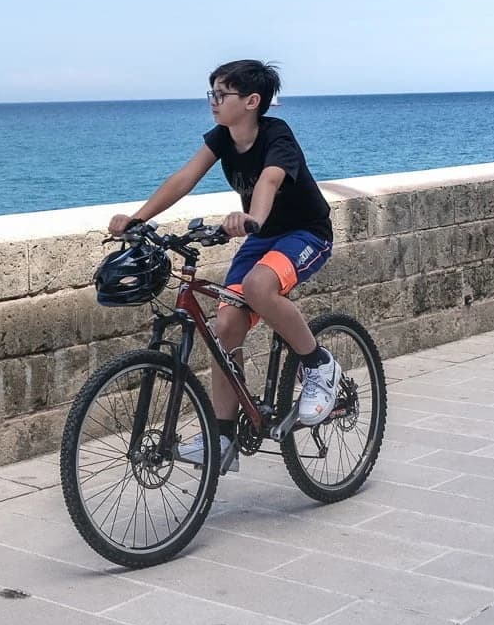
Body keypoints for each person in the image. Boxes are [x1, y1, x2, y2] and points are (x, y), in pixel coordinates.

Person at [106, 59, 339, 472]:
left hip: (305, 233)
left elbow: (269, 181)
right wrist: (138, 219)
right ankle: (224, 438)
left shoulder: (276, 135)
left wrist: (253, 219)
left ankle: (318, 364)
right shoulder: (222, 137)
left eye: (221, 94)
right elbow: (185, 177)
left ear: (251, 101)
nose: (213, 101)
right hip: (261, 236)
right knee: (225, 327)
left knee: (258, 287)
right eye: (211, 92)